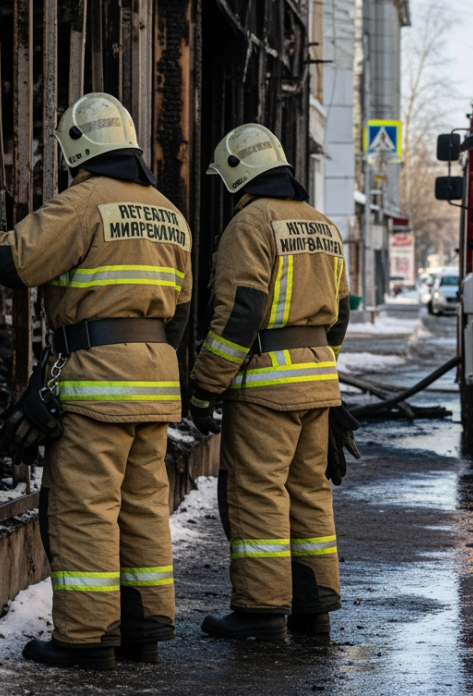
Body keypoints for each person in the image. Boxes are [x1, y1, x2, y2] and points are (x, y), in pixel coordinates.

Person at [0, 93, 190, 670]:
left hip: (99, 384)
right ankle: (143, 629)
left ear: (76, 148)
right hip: (154, 385)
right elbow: (182, 312)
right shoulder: (168, 213)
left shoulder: (83, 204)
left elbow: (9, 260)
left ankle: (86, 637)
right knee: (143, 507)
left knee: (85, 509)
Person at [188, 123, 350, 641]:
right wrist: (325, 380)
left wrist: (206, 387)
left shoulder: (250, 223)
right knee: (308, 492)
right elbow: (339, 318)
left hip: (265, 387)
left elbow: (240, 315)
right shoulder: (322, 224)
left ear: (238, 175)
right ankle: (313, 606)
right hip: (318, 384)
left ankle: (260, 612)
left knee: (258, 492)